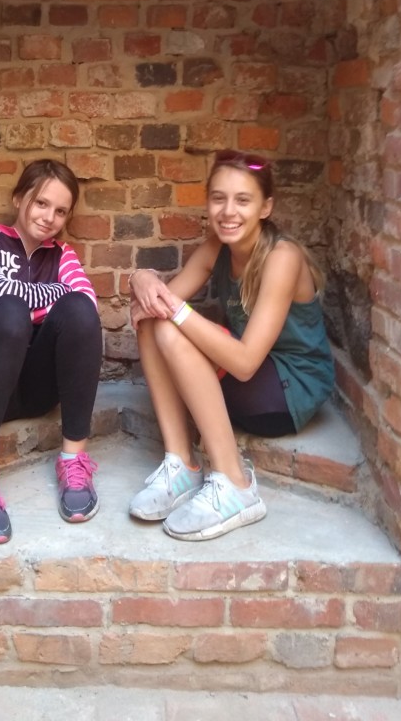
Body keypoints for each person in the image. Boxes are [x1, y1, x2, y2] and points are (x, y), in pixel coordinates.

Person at [128, 148, 335, 542]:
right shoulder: (217, 248)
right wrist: (141, 278)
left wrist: (172, 308)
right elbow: (157, 307)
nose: (228, 211)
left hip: (288, 391)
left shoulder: (283, 257)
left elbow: (244, 362)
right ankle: (182, 466)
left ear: (265, 207)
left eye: (243, 200)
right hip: (249, 379)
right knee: (155, 322)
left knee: (169, 325)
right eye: (218, 198)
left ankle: (236, 485)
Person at [0, 159, 103, 545]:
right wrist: (0, 313)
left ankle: (73, 461)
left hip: (36, 390)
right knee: (9, 311)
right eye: (41, 203)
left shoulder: (63, 256)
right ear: (19, 199)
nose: (49, 218)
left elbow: (87, 301)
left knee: (78, 311)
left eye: (61, 211)